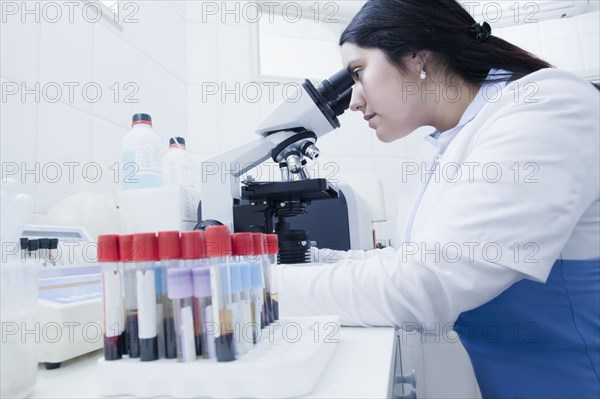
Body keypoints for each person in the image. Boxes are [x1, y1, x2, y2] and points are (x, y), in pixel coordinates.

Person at [275, 0, 600, 398]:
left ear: (416, 57)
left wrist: (260, 287)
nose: (354, 100)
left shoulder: (545, 104)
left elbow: (424, 282)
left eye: (358, 73)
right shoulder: (445, 143)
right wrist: (314, 259)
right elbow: (411, 258)